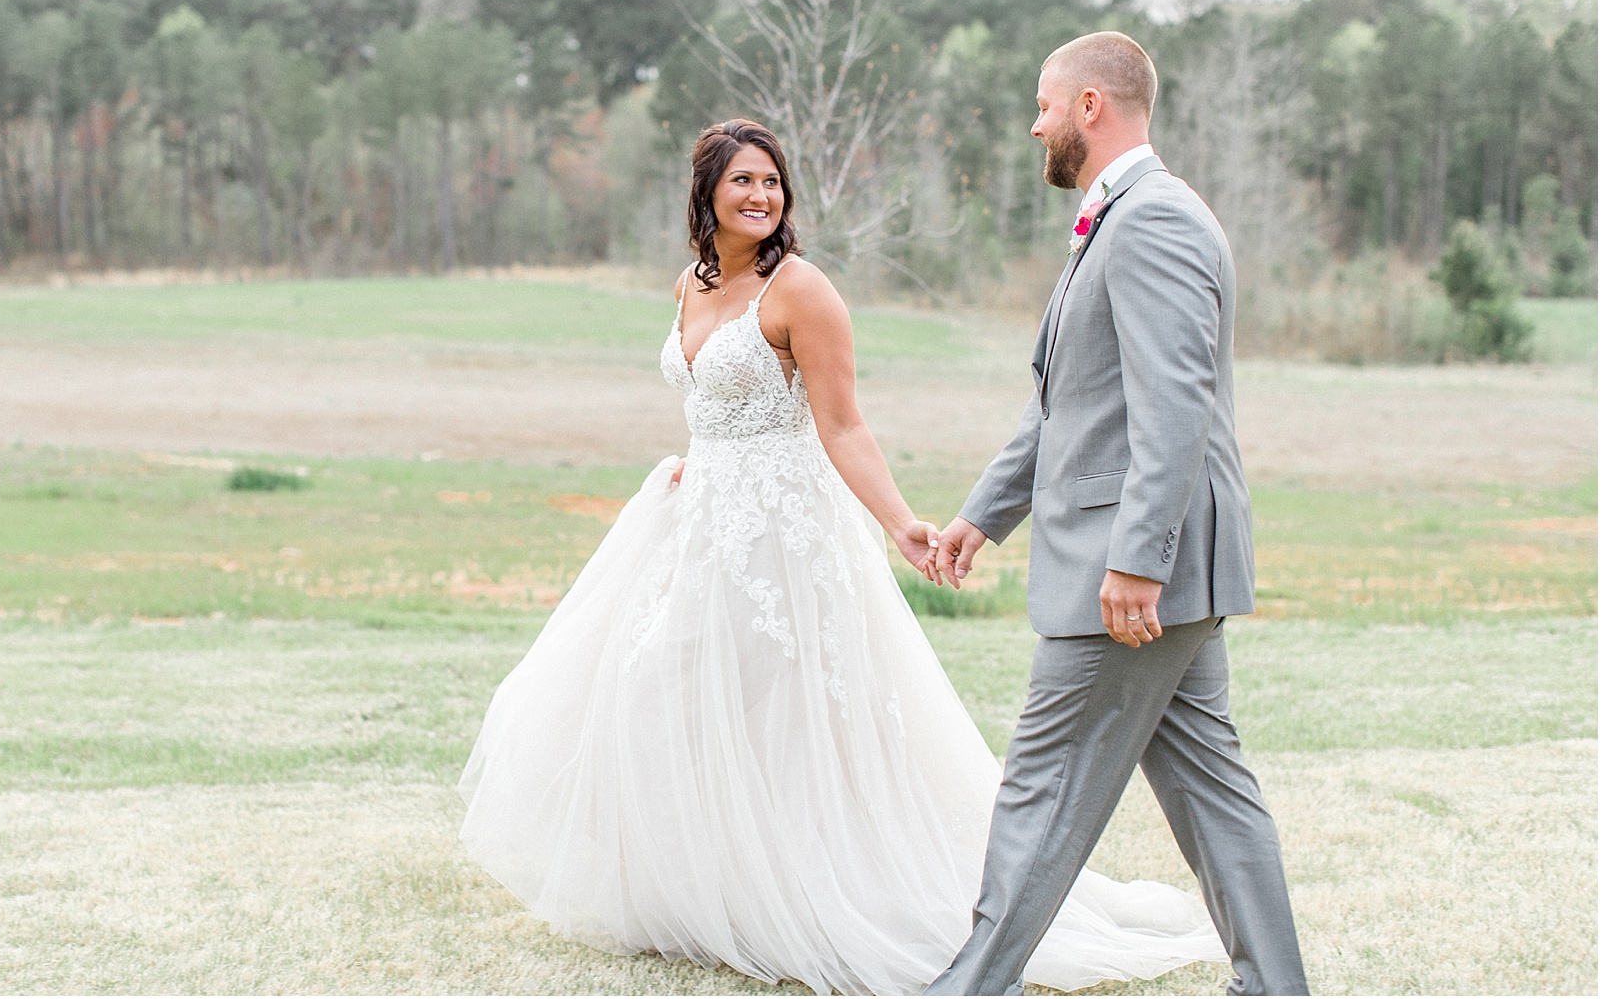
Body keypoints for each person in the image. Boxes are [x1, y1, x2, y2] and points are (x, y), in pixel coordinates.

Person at [458, 117, 1227, 995]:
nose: (759, 196)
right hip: (699, 521)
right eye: (742, 180)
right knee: (666, 691)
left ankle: (814, 895)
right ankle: (706, 892)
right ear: (705, 191)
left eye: (772, 182)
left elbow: (844, 424)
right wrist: (694, 463)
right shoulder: (691, 284)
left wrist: (903, 523)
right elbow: (710, 401)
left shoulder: (801, 290)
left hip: (787, 535)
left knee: (788, 717)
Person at [926, 33, 1310, 996]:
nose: (1036, 122)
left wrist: (1138, 559)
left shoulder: (1156, 222)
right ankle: (1278, 988)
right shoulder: (1122, 217)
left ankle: (969, 988)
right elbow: (1071, 401)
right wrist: (985, 513)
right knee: (1210, 791)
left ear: (1092, 106)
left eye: (1045, 103)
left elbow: (1173, 406)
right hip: (1158, 567)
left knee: (1041, 783)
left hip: (1134, 575)